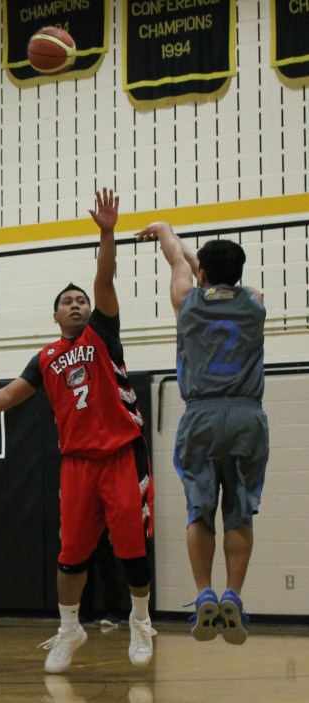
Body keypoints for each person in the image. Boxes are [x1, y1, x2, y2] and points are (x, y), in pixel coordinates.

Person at [0, 189, 156, 673]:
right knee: (70, 555)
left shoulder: (102, 334)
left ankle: (140, 621)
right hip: (76, 464)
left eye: (81, 301)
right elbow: (10, 395)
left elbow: (105, 276)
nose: (76, 305)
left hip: (119, 454)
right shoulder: (46, 358)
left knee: (132, 549)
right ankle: (69, 629)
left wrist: (108, 233)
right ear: (54, 316)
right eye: (67, 303)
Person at [135, 223, 267, 645]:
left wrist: (164, 231)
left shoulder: (188, 303)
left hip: (201, 416)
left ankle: (203, 592)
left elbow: (178, 259)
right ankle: (234, 595)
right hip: (247, 415)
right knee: (239, 511)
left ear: (202, 274)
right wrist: (210, 267)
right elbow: (207, 272)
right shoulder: (255, 303)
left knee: (200, 510)